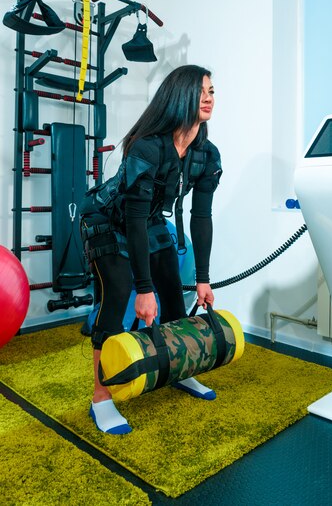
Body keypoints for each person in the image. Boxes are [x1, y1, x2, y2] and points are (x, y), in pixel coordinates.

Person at [80, 64, 222, 434]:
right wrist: (144, 288)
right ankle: (101, 398)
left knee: (175, 292)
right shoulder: (147, 146)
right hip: (106, 219)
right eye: (202, 90)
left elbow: (201, 217)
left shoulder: (206, 155)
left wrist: (204, 279)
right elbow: (133, 217)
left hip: (147, 219)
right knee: (118, 295)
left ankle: (181, 370)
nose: (209, 97)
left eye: (212, 91)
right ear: (181, 96)